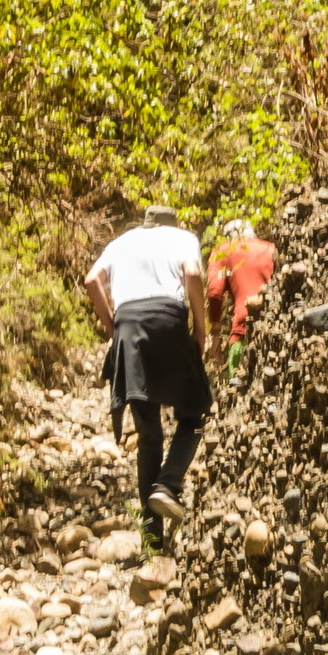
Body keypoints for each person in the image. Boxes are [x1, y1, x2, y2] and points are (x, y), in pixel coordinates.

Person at [85, 202, 212, 545]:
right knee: (196, 410)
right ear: (173, 221)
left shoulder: (121, 242)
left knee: (148, 436)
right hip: (168, 320)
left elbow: (91, 280)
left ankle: (152, 540)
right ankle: (168, 484)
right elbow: (194, 275)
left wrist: (114, 327)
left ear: (144, 223)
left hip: (128, 326)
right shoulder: (183, 237)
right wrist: (200, 329)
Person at [206, 218, 277, 370]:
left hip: (243, 326)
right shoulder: (271, 249)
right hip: (276, 324)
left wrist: (216, 328)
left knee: (239, 379)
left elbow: (214, 293)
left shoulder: (223, 251)